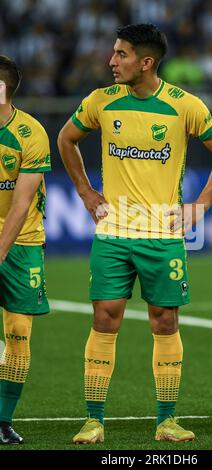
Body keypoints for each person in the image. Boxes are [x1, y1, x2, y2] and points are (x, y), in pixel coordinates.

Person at [58, 23, 212, 444]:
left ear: (146, 62)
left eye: (120, 54)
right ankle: (93, 420)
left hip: (163, 234)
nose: (111, 61)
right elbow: (66, 140)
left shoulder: (184, 105)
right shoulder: (100, 101)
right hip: (114, 232)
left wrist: (201, 205)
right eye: (113, 53)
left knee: (164, 320)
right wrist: (85, 190)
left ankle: (167, 421)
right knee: (105, 318)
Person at [0, 56, 51, 444]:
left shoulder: (30, 133)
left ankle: (3, 419)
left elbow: (20, 205)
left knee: (18, 332)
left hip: (22, 243)